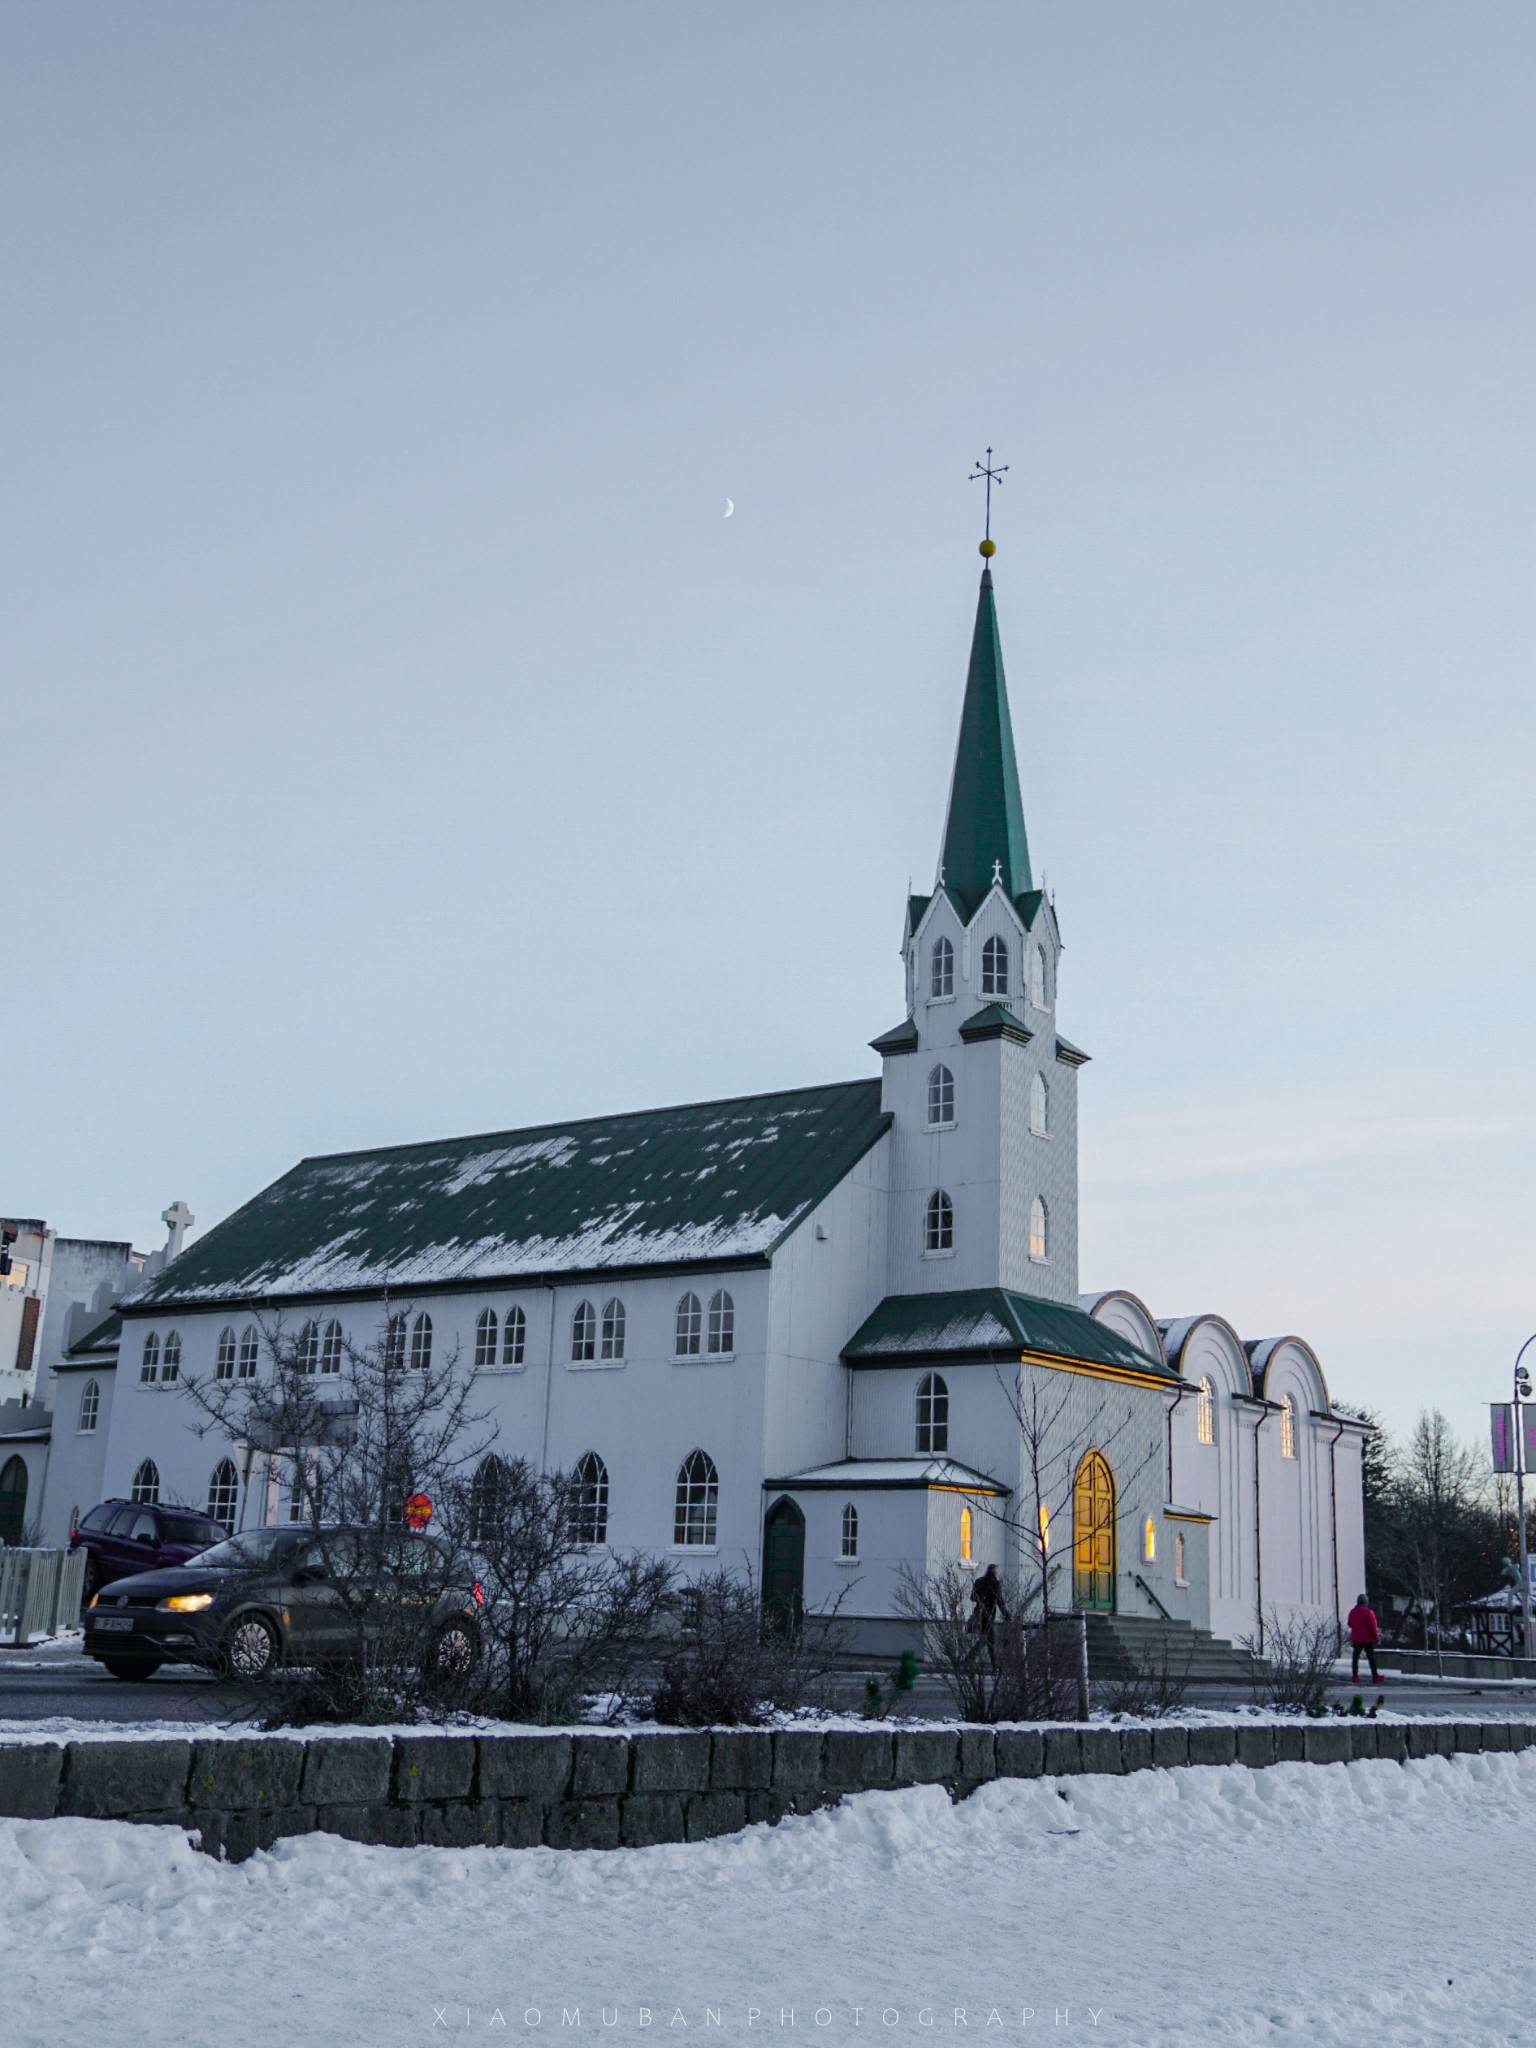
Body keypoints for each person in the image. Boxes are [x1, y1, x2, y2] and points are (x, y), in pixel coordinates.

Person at [969, 1563, 1009, 1665]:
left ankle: (969, 1659)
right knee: (989, 1639)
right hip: (989, 1614)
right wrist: (1006, 1615)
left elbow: (973, 1597)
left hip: (979, 1612)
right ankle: (993, 1665)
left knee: (987, 1638)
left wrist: (981, 1598)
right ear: (995, 1572)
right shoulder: (995, 1583)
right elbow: (999, 1600)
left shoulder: (979, 1581)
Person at [1347, 1593, 1381, 1685]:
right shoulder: (1369, 1612)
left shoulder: (1352, 1612)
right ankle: (1375, 1676)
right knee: (1371, 1658)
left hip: (1356, 1638)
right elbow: (1373, 1627)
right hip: (1367, 1639)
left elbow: (1349, 1623)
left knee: (1355, 1658)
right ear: (1366, 1602)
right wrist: (1377, 1638)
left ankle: (1355, 1676)